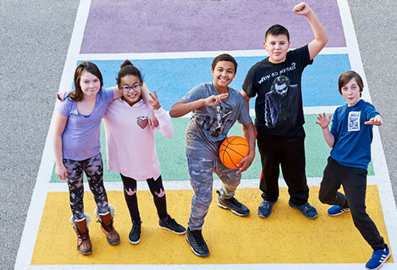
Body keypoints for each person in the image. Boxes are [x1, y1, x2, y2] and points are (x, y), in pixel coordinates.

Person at [241, 2, 328, 219]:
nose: (277, 47)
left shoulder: (296, 59)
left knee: (296, 170)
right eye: (273, 43)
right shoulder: (257, 71)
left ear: (289, 44)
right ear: (265, 45)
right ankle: (269, 197)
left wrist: (308, 14)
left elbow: (321, 40)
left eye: (281, 43)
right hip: (267, 134)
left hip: (294, 132)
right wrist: (247, 123)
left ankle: (299, 200)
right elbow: (244, 96)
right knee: (269, 170)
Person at [170, 54, 256, 257]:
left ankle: (225, 198)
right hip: (198, 142)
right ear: (213, 71)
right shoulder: (203, 89)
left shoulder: (236, 99)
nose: (224, 74)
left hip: (221, 144)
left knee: (234, 178)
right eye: (220, 69)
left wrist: (252, 152)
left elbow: (248, 126)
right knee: (203, 194)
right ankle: (194, 230)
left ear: (234, 74)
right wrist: (202, 102)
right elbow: (174, 111)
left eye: (229, 71)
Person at [103, 60, 186, 245]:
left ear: (141, 85)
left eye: (135, 86)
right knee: (130, 192)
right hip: (125, 162)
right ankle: (136, 222)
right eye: (126, 87)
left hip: (148, 161)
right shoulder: (110, 106)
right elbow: (91, 95)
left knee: (159, 192)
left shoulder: (150, 106)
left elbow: (170, 133)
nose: (131, 91)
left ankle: (164, 219)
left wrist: (155, 108)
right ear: (119, 88)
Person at [316, 71, 390, 270]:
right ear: (341, 91)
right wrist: (325, 129)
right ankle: (345, 203)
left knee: (359, 214)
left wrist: (378, 119)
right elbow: (333, 142)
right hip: (336, 163)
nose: (350, 92)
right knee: (324, 197)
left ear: (360, 88)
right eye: (345, 88)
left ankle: (380, 248)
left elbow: (374, 115)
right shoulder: (340, 112)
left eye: (353, 87)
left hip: (355, 169)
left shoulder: (366, 108)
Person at [53, 62, 123, 255]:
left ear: (100, 81)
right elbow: (57, 134)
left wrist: (151, 108)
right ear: (78, 82)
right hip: (70, 159)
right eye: (86, 82)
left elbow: (131, 85)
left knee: (99, 190)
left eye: (95, 80)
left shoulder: (104, 96)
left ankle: (107, 225)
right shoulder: (69, 103)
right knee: (76, 196)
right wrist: (59, 164)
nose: (91, 85)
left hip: (92, 156)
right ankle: (83, 234)